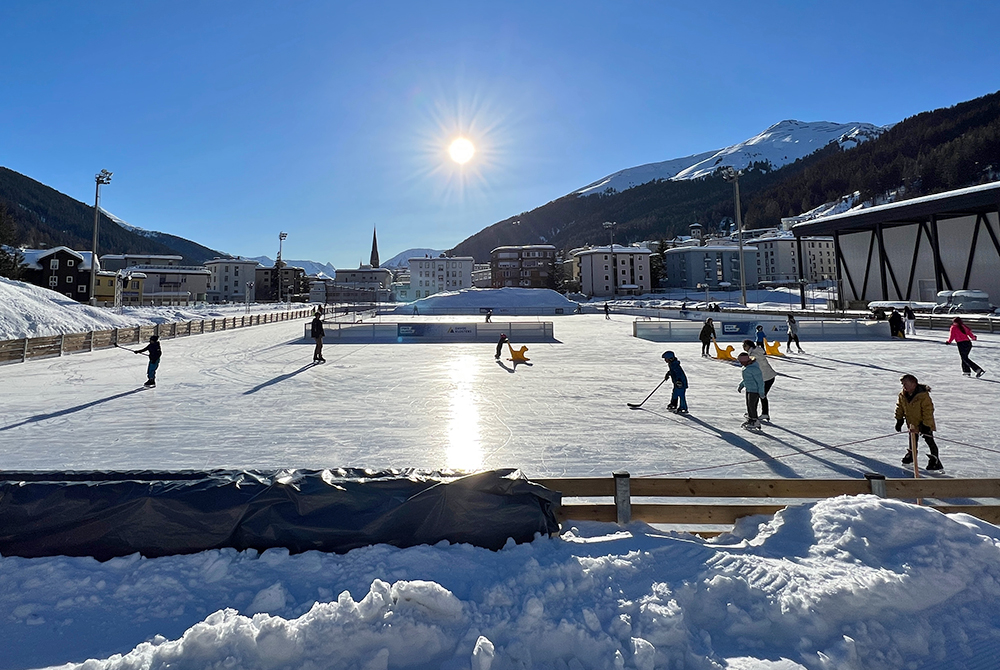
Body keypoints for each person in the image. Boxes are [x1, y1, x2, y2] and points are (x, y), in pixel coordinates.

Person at [895, 374, 943, 470]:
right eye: (903, 384)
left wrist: (926, 424)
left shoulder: (923, 396)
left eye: (906, 384)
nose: (904, 386)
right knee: (912, 440)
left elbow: (928, 410)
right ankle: (912, 455)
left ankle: (935, 460)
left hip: (924, 423)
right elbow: (900, 407)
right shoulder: (902, 395)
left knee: (929, 440)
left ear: (914, 384)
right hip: (912, 423)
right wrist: (899, 419)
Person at [742, 339, 776, 421]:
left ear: (749, 346)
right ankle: (762, 413)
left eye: (744, 346)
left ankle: (755, 414)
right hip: (768, 376)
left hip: (766, 377)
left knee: (758, 395)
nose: (743, 347)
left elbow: (752, 366)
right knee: (761, 395)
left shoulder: (754, 355)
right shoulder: (756, 351)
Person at [736, 352, 766, 430]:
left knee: (752, 405)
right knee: (749, 405)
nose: (740, 363)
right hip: (749, 389)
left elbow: (760, 381)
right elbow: (747, 379)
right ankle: (751, 418)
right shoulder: (746, 367)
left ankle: (755, 420)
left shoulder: (754, 368)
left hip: (755, 390)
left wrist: (761, 392)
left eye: (741, 361)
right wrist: (742, 385)